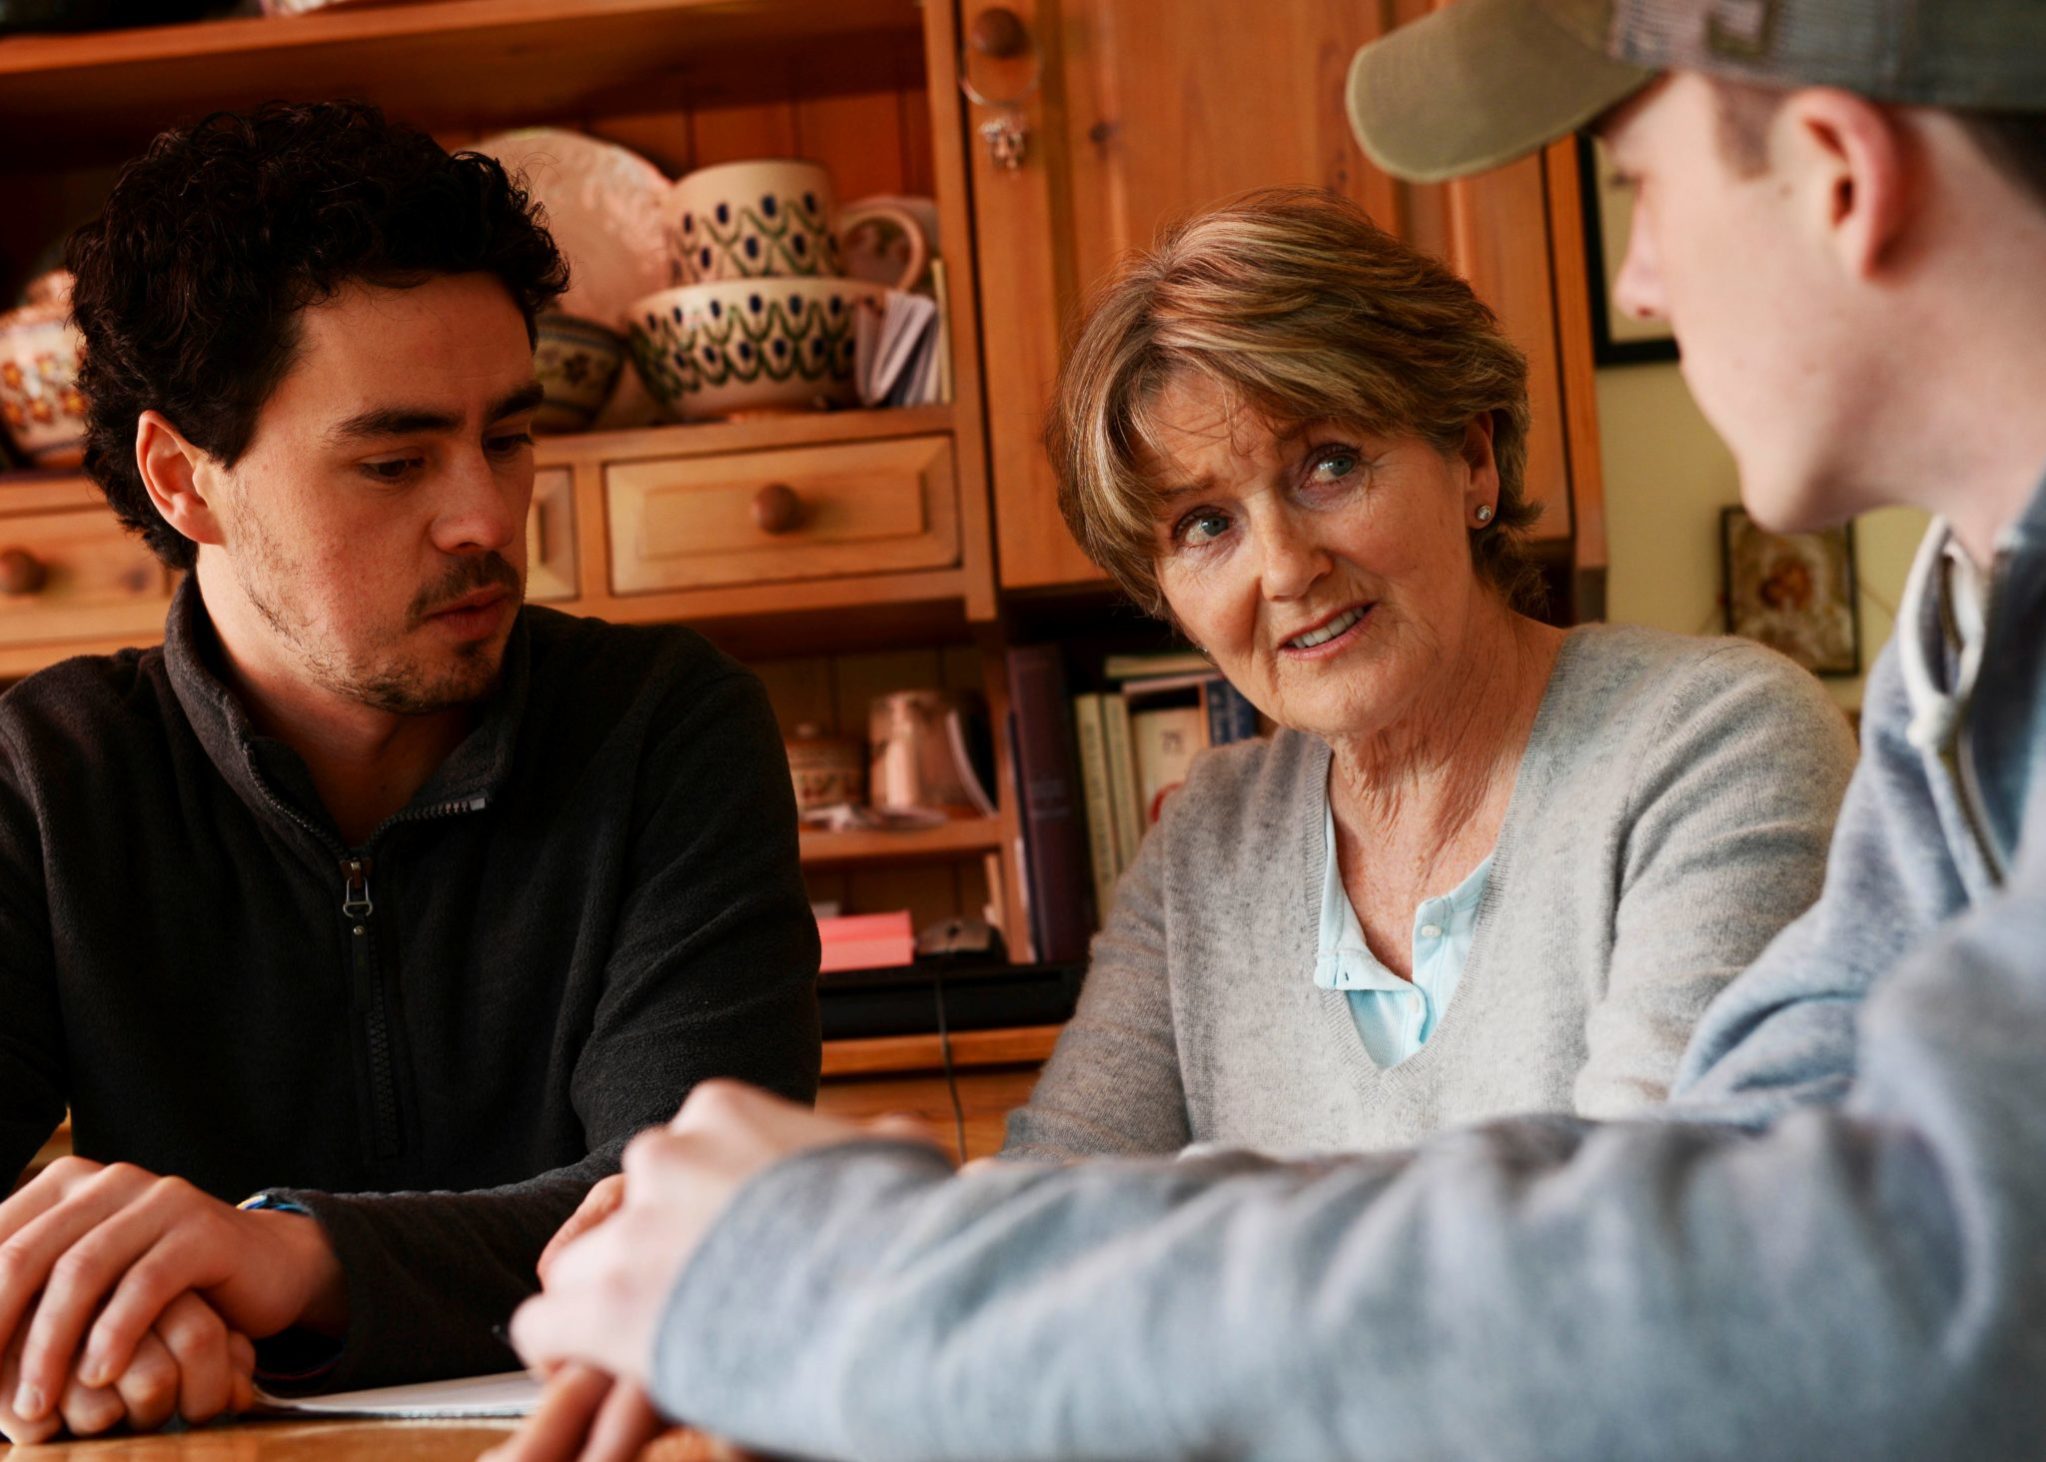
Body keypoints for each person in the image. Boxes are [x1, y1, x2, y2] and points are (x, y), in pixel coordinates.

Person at [499, 0, 2046, 1457]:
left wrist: (861, 1267)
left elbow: (1736, 1287)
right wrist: (883, 1252)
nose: (1634, 280)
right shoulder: (1962, 643)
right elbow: (1748, 1213)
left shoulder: (1726, 728)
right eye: (1200, 526)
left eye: (1640, 186)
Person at [0, 101, 820, 1444]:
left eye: (508, 434)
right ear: (182, 478)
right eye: (393, 461)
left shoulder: (671, 729)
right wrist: (90, 1314)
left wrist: (283, 1260)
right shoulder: (42, 780)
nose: (485, 517)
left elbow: (709, 1218)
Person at [1000, 189, 1851, 1164]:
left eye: (1328, 463)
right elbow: (1046, 1217)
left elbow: (1647, 1231)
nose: (1282, 568)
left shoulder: (1719, 742)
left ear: (1473, 458)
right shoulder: (1207, 848)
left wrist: (1213, 1223)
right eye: (1205, 525)